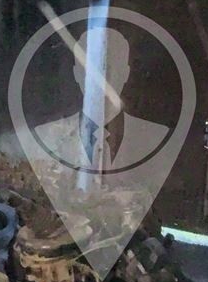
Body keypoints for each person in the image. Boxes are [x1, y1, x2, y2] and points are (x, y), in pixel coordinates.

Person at [33, 27, 168, 173]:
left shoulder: (156, 142)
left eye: (109, 69)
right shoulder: (39, 140)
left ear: (126, 73)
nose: (100, 81)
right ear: (76, 73)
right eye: (89, 71)